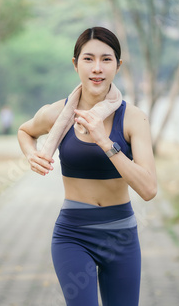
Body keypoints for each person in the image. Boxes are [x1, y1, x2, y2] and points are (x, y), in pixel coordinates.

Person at [17, 27, 157, 306]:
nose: (97, 68)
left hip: (120, 236)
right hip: (73, 234)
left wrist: (106, 143)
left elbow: (149, 189)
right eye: (88, 59)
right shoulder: (56, 113)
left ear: (117, 66)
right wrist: (31, 155)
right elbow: (25, 131)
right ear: (75, 64)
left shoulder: (133, 119)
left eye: (106, 59)